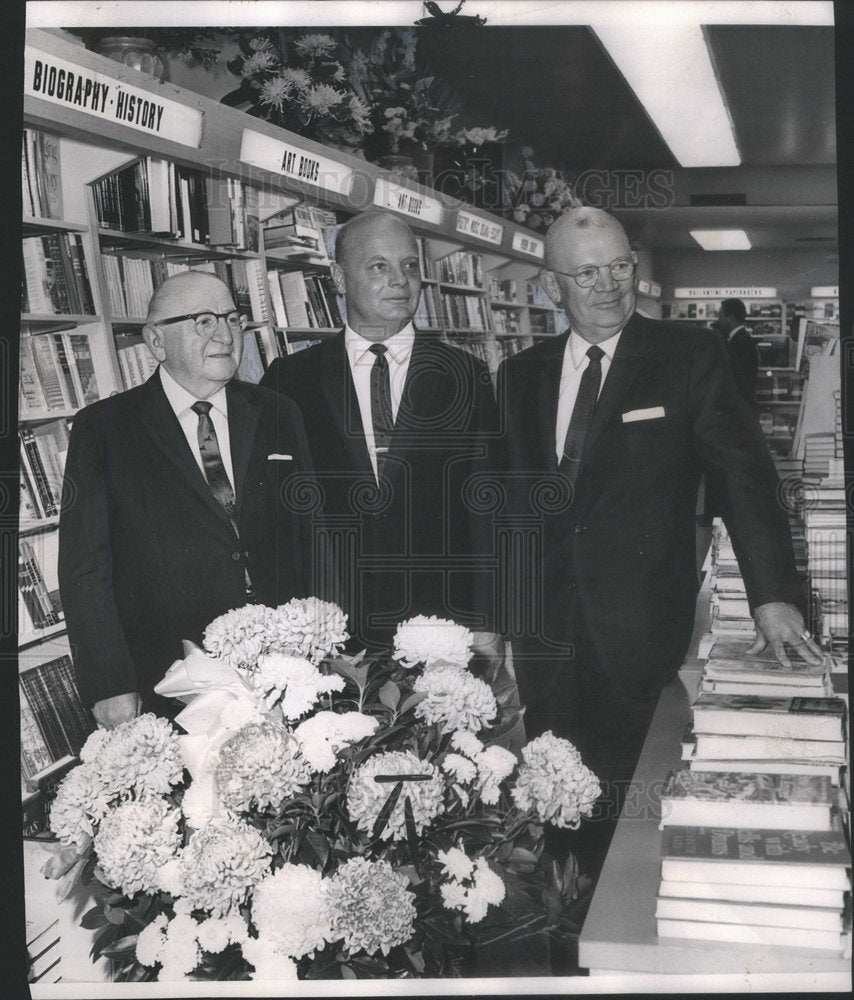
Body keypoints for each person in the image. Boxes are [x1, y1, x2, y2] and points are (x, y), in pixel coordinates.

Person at [497, 207, 822, 875]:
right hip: (545, 635)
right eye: (587, 272)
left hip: (641, 626)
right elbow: (505, 503)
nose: (608, 285)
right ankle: (564, 936)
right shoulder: (520, 375)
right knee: (557, 796)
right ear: (551, 282)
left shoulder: (687, 356)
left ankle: (621, 940)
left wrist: (773, 595)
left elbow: (745, 478)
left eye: (620, 267)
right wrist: (492, 616)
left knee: (628, 807)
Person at [59, 271, 318, 728]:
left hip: (285, 669)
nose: (224, 334)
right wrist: (109, 683)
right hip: (168, 681)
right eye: (202, 321)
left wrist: (320, 642)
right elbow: (85, 568)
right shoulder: (103, 430)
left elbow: (313, 535)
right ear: (156, 342)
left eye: (232, 319)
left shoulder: (280, 412)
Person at [261, 210, 501, 660]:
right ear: (337, 277)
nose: (400, 280)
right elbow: (278, 517)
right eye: (378, 266)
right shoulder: (289, 380)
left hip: (443, 624)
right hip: (332, 631)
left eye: (410, 266)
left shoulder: (465, 375)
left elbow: (485, 506)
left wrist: (487, 621)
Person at [717, 297, 759, 407]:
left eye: (720, 316)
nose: (719, 320)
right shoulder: (742, 339)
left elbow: (738, 380)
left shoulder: (740, 342)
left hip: (738, 407)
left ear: (731, 317)